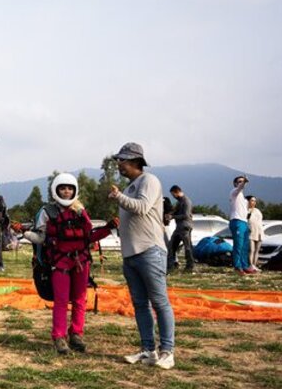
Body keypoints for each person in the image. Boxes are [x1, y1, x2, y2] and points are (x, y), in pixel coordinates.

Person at [23, 173, 114, 355]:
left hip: (81, 261)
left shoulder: (80, 211)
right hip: (60, 263)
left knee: (80, 299)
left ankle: (76, 335)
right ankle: (59, 337)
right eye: (63, 188)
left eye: (70, 188)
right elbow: (40, 238)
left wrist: (108, 228)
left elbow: (89, 236)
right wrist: (24, 232)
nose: (66, 191)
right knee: (62, 300)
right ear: (56, 190)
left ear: (75, 190)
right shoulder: (47, 212)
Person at [108, 142, 176, 369]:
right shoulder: (128, 187)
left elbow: (143, 207)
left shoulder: (150, 181)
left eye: (123, 160)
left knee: (159, 301)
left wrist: (119, 198)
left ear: (136, 161)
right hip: (131, 255)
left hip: (150, 251)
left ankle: (168, 351)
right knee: (140, 304)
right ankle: (149, 350)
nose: (119, 164)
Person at [227, 175, 257, 274]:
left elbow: (245, 212)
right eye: (239, 181)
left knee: (245, 246)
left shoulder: (244, 199)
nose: (241, 183)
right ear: (235, 184)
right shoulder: (234, 192)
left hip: (243, 222)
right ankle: (237, 266)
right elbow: (240, 188)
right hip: (236, 221)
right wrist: (244, 182)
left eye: (242, 181)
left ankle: (245, 266)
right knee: (238, 245)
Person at [167, 185, 195, 273]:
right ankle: (171, 266)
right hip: (179, 227)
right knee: (172, 246)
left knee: (187, 247)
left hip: (185, 226)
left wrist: (172, 217)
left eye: (173, 195)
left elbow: (186, 215)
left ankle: (190, 266)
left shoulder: (186, 201)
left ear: (176, 192)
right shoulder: (180, 201)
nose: (173, 197)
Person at [246, 196, 264, 272]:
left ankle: (255, 265)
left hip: (259, 231)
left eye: (255, 201)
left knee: (257, 250)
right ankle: (251, 265)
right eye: (252, 200)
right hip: (251, 232)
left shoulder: (257, 210)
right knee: (251, 250)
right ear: (248, 201)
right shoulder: (246, 210)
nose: (254, 202)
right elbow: (246, 220)